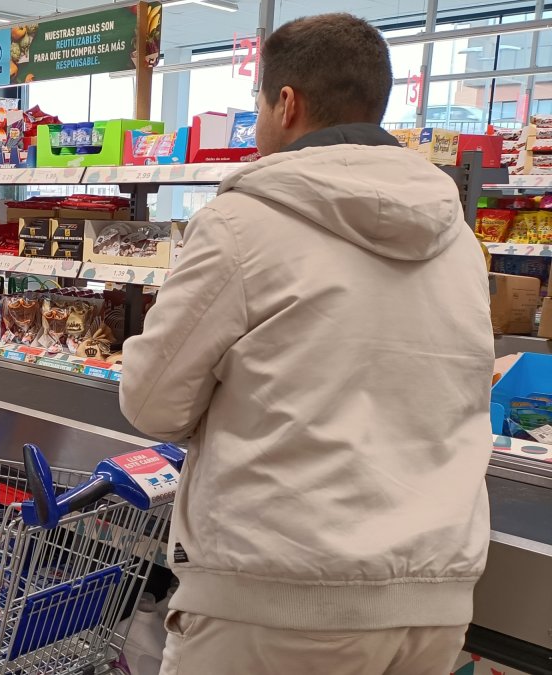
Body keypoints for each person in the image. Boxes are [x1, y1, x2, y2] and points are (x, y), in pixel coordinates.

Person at [119, 14, 493, 675]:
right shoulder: (459, 239)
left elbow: (152, 404)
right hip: (430, 601)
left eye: (259, 103)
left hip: (275, 597)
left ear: (286, 103)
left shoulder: (241, 222)